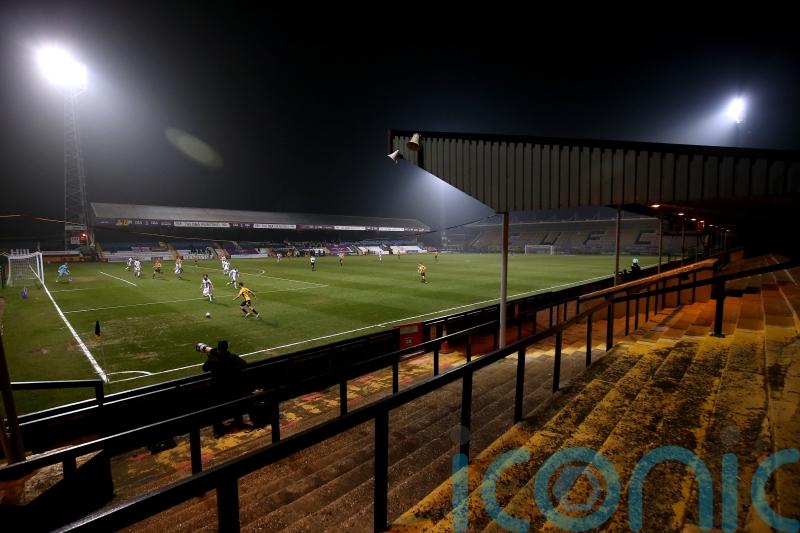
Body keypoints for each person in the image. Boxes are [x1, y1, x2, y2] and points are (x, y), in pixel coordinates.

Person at [202, 340, 248, 437]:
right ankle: (239, 422)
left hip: (218, 388)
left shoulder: (213, 359)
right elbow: (244, 364)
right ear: (227, 347)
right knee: (235, 405)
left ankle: (218, 431)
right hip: (232, 386)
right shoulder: (232, 356)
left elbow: (205, 368)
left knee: (217, 410)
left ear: (218, 348)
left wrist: (210, 357)